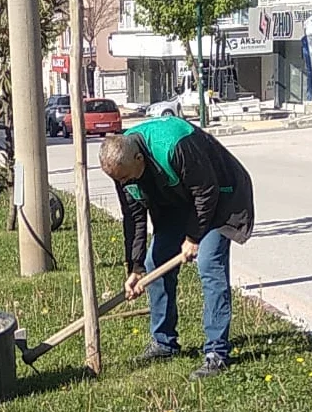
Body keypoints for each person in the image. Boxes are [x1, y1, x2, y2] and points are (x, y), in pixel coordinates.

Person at [100, 115, 255, 379]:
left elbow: (206, 192)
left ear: (140, 160)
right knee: (154, 264)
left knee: (209, 264)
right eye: (120, 180)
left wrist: (193, 238)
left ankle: (216, 353)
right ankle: (164, 343)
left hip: (220, 196)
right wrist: (135, 268)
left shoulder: (174, 144)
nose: (124, 184)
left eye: (126, 178)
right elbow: (134, 218)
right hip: (178, 201)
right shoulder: (122, 167)